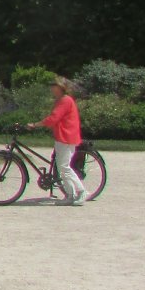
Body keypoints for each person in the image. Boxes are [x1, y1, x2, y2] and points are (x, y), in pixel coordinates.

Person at [31, 77, 87, 205]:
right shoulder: (60, 100)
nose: (51, 89)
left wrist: (36, 124)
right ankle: (70, 195)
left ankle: (82, 191)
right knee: (62, 167)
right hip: (62, 137)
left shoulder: (65, 100)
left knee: (64, 167)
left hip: (66, 137)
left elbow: (53, 118)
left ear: (61, 88)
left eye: (54, 86)